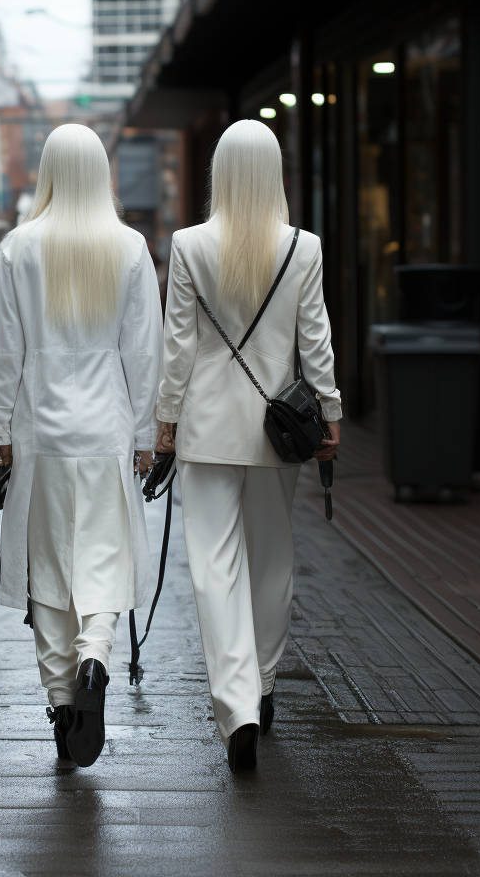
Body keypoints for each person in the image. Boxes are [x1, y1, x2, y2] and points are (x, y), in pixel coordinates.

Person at [156, 118, 341, 773]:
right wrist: (332, 413)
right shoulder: (303, 248)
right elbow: (314, 339)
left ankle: (234, 707)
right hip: (280, 429)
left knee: (214, 567)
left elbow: (178, 345)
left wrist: (165, 419)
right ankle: (261, 686)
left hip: (208, 428)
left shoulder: (188, 245)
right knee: (273, 557)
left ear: (219, 174)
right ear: (275, 174)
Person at [0, 124, 162, 768]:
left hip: (42, 434)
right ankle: (95, 663)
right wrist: (146, 435)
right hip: (108, 430)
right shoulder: (130, 248)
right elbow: (145, 352)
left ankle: (63, 704)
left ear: (50, 172)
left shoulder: (20, 248)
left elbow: (5, 355)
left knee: (50, 573)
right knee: (104, 564)